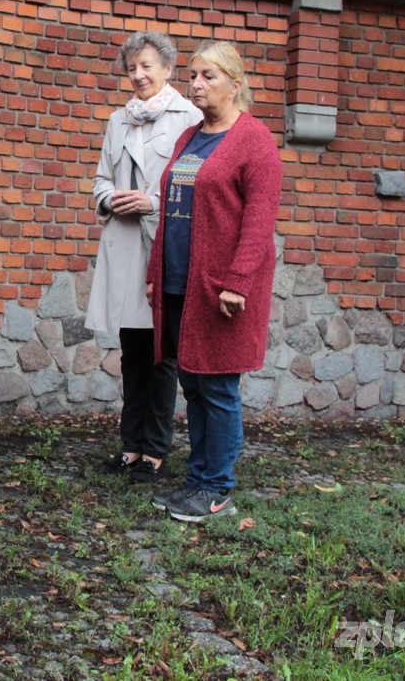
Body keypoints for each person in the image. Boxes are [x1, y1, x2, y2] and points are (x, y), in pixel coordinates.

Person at [145, 41, 282, 522]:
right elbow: (169, 215)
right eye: (195, 75)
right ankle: (197, 479)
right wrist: (154, 273)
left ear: (235, 84)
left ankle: (217, 487)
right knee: (193, 384)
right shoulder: (189, 138)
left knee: (217, 387)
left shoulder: (254, 141)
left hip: (222, 287)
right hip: (181, 281)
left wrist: (238, 282)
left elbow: (259, 222)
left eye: (209, 76)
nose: (197, 84)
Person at [86, 31, 201, 484]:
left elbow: (192, 186)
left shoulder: (188, 118)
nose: (138, 75)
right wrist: (110, 198)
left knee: (161, 354)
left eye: (147, 66)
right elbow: (99, 179)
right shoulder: (118, 121)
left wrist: (151, 202)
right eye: (132, 67)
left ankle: (156, 449)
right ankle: (131, 446)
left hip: (162, 246)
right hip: (123, 244)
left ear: (168, 69)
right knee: (132, 353)